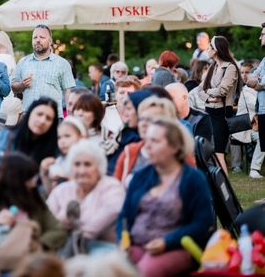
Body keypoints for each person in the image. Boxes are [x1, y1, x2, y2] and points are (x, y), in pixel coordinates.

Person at [117, 117, 215, 277]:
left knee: (144, 272)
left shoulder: (193, 179)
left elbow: (203, 223)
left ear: (175, 146)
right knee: (107, 268)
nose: (147, 146)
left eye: (155, 141)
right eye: (147, 140)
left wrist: (167, 242)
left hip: (176, 247)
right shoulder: (140, 176)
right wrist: (123, 238)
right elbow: (124, 216)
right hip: (136, 244)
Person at [0, 153, 66, 276]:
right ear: (16, 181)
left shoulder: (36, 202)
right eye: (29, 179)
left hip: (32, 267)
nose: (34, 183)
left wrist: (33, 244)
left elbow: (59, 230)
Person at [47, 142, 125, 255]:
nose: (82, 171)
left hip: (100, 248)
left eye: (87, 165)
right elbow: (47, 221)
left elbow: (94, 227)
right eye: (77, 164)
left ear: (99, 167)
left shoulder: (112, 188)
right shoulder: (61, 190)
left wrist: (64, 224)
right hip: (61, 245)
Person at [0, 97, 58, 180]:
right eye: (39, 114)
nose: (42, 121)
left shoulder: (55, 148)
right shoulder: (2, 138)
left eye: (48, 118)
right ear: (29, 114)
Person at [197, 35, 241, 174]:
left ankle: (224, 185)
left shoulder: (230, 67)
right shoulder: (213, 66)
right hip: (209, 111)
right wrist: (209, 98)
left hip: (222, 113)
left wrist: (207, 91)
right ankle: (217, 183)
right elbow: (199, 90)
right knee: (211, 152)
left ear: (216, 50)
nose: (207, 49)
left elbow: (222, 90)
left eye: (210, 47)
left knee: (219, 152)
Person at [114, 96, 179, 188]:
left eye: (150, 119)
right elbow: (115, 188)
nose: (143, 124)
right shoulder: (130, 151)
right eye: (141, 119)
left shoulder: (180, 155)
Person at [12, 25, 75, 118]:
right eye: (35, 37)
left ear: (50, 41)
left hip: (53, 117)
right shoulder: (23, 62)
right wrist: (22, 85)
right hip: (29, 116)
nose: (38, 40)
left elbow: (68, 92)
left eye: (42, 37)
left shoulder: (62, 63)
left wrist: (70, 117)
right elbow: (14, 87)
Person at [40, 116, 86, 195]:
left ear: (81, 137)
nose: (62, 141)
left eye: (67, 136)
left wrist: (66, 179)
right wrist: (44, 174)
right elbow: (51, 194)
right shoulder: (59, 161)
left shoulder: (89, 160)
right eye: (59, 138)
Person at [228, 61, 257, 174]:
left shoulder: (255, 86)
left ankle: (251, 161)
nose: (244, 75)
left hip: (253, 120)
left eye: (247, 72)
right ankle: (236, 165)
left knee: (236, 128)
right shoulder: (236, 86)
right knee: (233, 131)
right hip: (240, 119)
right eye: (242, 72)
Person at [246, 24, 265, 179]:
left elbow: (260, 83)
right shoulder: (264, 59)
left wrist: (258, 82)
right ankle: (254, 169)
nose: (260, 37)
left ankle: (254, 169)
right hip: (262, 108)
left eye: (263, 34)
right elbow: (250, 79)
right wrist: (257, 81)